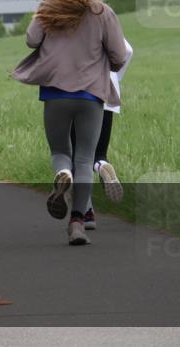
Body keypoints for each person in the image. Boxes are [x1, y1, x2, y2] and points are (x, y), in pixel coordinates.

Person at [13, 0, 127, 246]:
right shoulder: (103, 13)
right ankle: (77, 223)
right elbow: (118, 56)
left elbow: (31, 40)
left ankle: (62, 173)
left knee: (60, 152)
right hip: (91, 96)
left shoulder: (50, 7)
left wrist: (46, 13)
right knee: (86, 158)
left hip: (55, 94)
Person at [71, 39, 133, 229]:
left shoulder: (69, 19)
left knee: (78, 156)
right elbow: (127, 50)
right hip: (107, 93)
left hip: (77, 93)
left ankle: (87, 213)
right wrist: (116, 76)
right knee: (98, 153)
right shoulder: (104, 17)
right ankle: (103, 166)